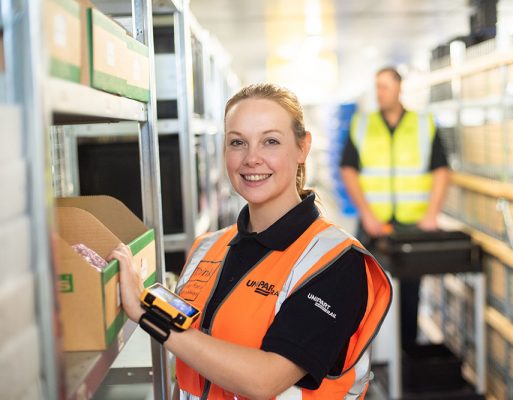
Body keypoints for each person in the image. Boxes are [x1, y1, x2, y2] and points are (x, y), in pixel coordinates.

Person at [111, 83, 391, 400]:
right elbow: (192, 366)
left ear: (302, 147)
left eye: (270, 141)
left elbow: (265, 380)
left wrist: (147, 315)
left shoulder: (335, 262)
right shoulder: (207, 247)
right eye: (238, 143)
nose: (252, 158)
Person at [339, 67, 451, 351]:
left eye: (385, 87)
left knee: (410, 292)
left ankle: (407, 352)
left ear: (399, 88)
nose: (379, 93)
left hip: (411, 224)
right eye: (376, 87)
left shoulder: (424, 123)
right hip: (371, 222)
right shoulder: (362, 124)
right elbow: (348, 170)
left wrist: (431, 215)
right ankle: (364, 352)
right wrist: (365, 213)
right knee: (362, 288)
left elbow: (441, 171)